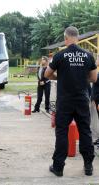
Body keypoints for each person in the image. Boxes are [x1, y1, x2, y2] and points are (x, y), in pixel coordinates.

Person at [45, 26, 97, 177]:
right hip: (81, 99)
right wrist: (80, 79)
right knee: (85, 132)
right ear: (78, 38)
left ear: (65, 38)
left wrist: (60, 77)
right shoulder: (88, 55)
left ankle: (58, 167)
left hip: (65, 100)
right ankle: (88, 166)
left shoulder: (60, 55)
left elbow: (47, 74)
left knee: (61, 132)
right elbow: (93, 78)